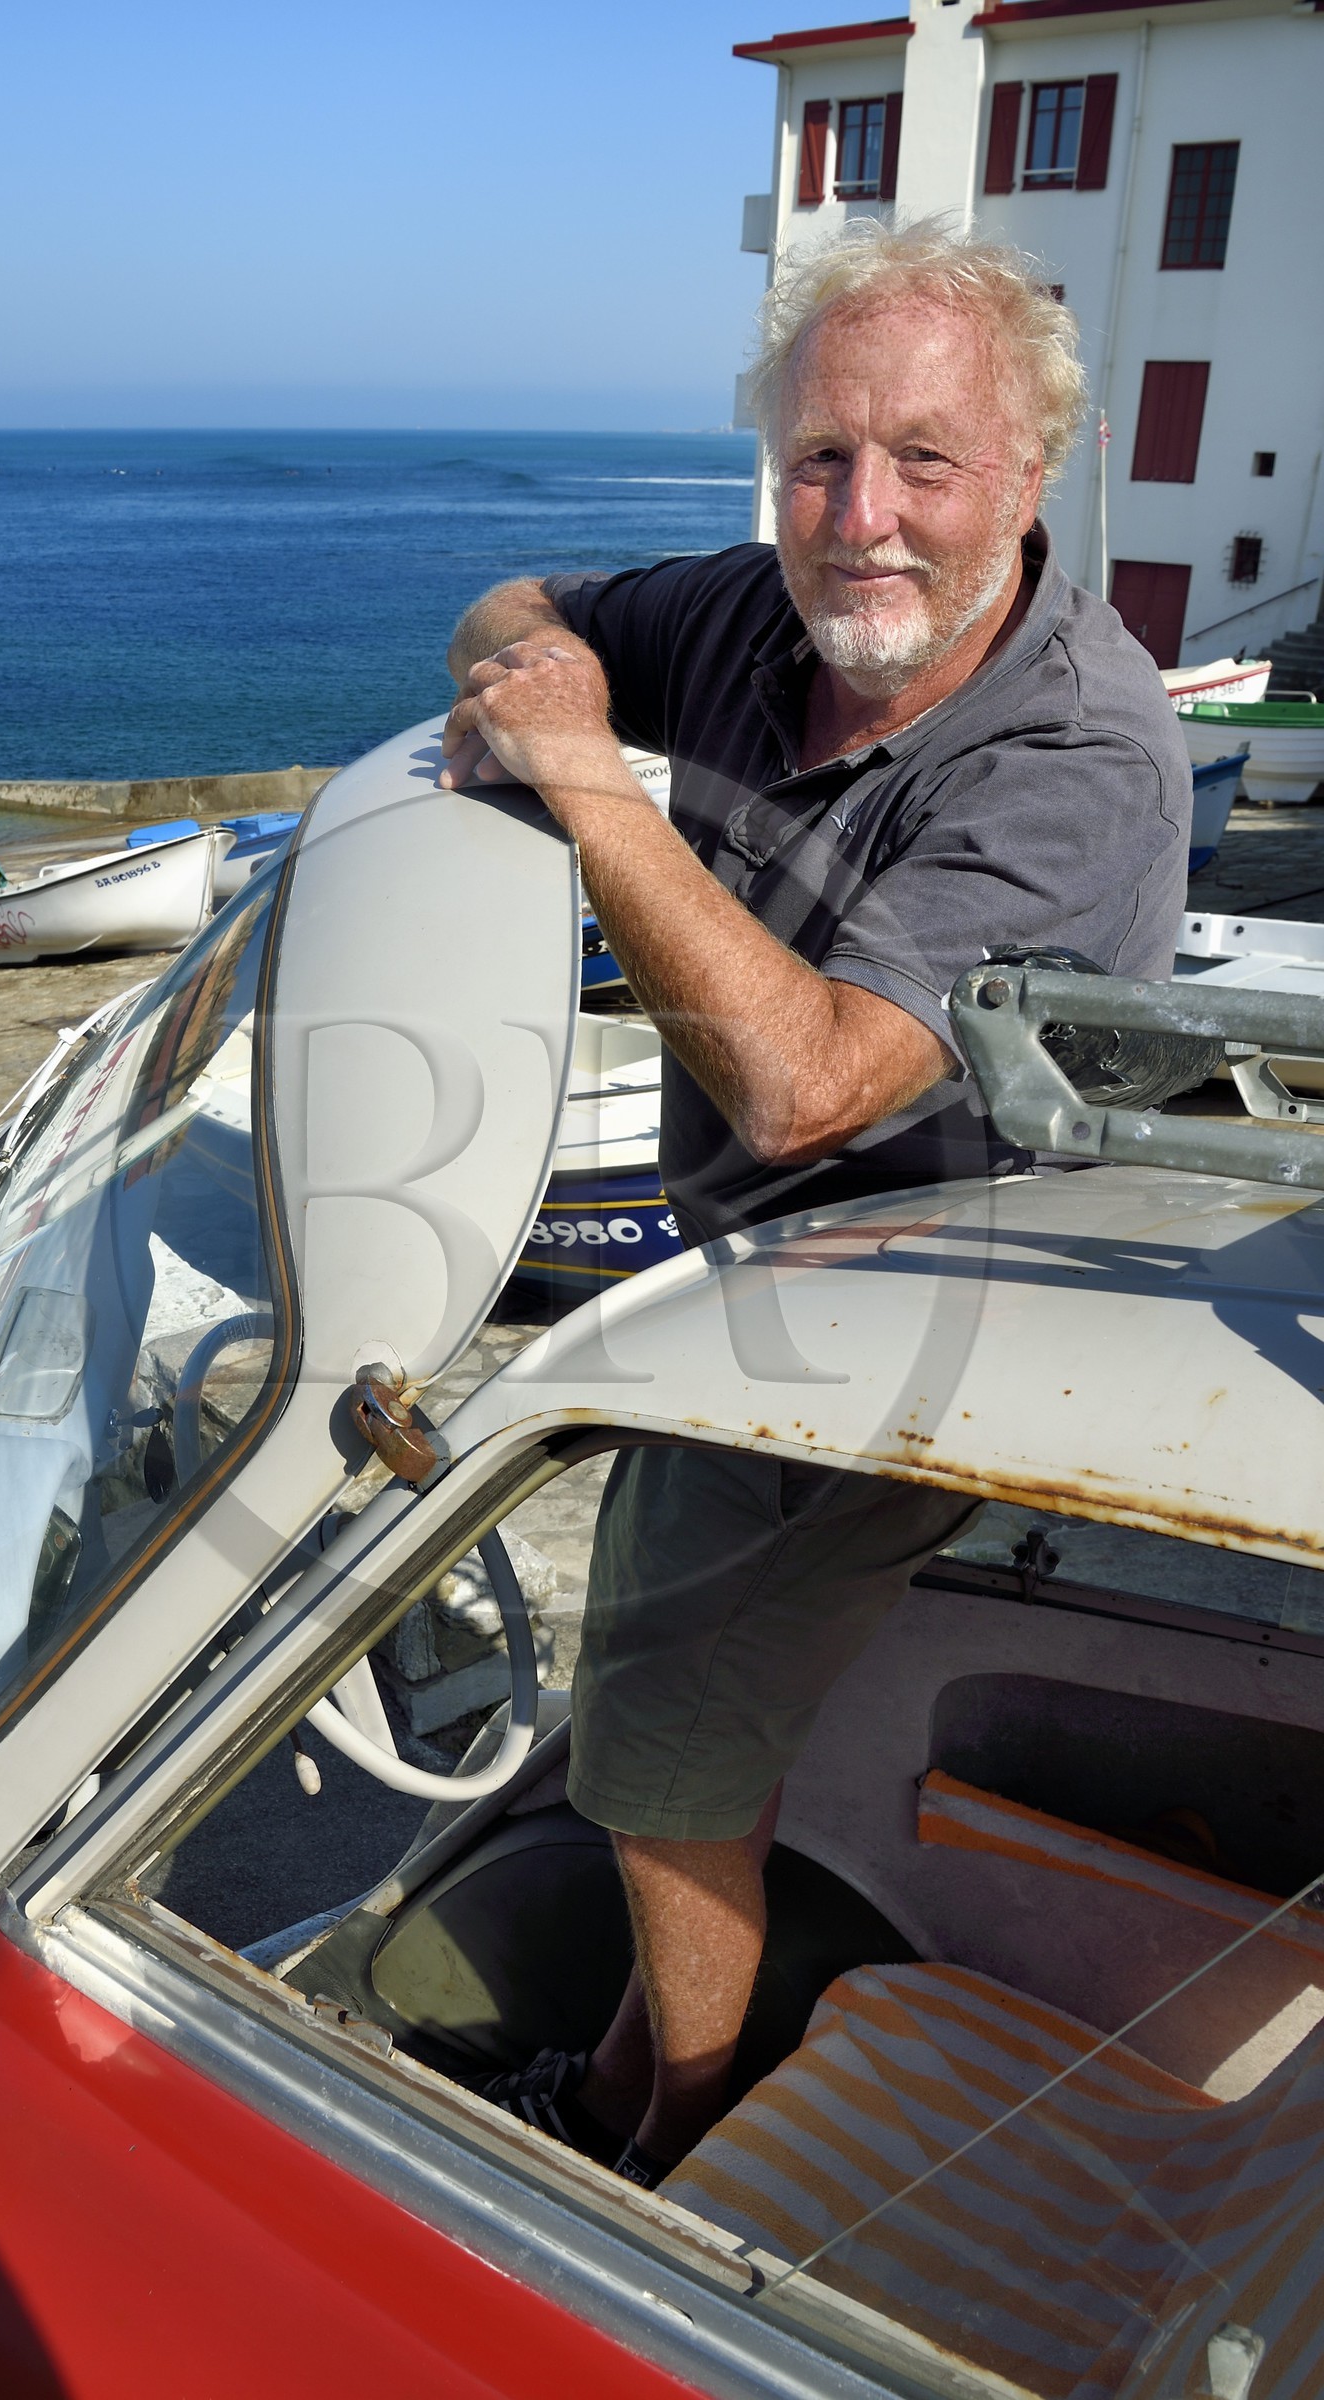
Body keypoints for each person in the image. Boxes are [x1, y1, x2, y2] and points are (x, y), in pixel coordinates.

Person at [440, 222, 1192, 2185]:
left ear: (1036, 476)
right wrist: (520, 682)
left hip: (942, 1290)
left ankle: (643, 2117)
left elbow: (802, 1086)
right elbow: (522, 604)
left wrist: (585, 788)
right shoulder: (742, 618)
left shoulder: (1076, 746)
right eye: (816, 460)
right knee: (649, 1658)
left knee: (666, 1738)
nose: (860, 520)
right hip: (757, 1266)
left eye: (923, 464)